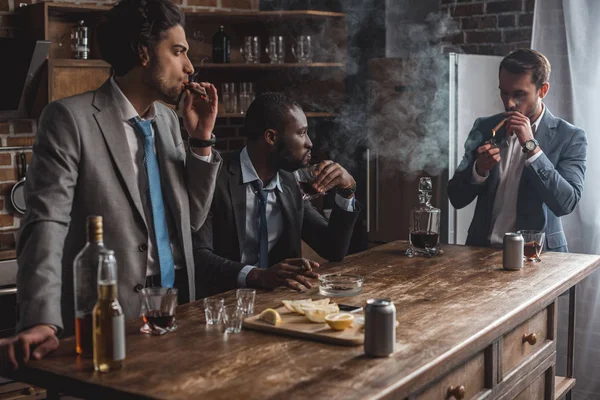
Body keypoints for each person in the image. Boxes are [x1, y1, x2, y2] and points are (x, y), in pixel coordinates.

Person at [7, 0, 222, 367]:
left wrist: (201, 140)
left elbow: (193, 220)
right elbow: (46, 222)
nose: (189, 67)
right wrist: (41, 318)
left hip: (176, 309)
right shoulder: (68, 118)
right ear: (143, 53)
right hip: (107, 319)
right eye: (178, 52)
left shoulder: (170, 122)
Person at [194, 93, 361, 297]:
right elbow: (198, 256)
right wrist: (256, 275)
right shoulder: (213, 176)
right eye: (302, 133)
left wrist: (347, 190)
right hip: (223, 302)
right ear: (271, 137)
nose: (309, 143)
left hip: (278, 302)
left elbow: (333, 249)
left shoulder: (290, 182)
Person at [448, 49, 586, 250]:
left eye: (519, 94)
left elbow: (565, 203)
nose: (509, 103)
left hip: (539, 258)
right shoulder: (485, 128)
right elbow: (456, 197)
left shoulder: (570, 136)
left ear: (543, 90)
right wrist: (479, 171)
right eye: (504, 92)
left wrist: (532, 147)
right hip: (482, 254)